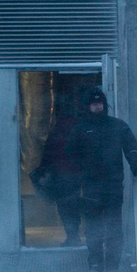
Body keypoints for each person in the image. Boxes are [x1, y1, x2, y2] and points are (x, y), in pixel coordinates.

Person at [67, 87, 137, 272]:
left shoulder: (117, 125)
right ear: (88, 106)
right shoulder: (80, 128)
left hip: (113, 186)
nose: (97, 106)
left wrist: (136, 166)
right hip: (90, 186)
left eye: (100, 103)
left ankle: (112, 265)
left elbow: (131, 148)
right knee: (93, 226)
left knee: (114, 226)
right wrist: (83, 168)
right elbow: (70, 152)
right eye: (94, 103)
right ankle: (95, 262)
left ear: (104, 105)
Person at [35, 105, 83, 247]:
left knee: (64, 207)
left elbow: (48, 154)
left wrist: (42, 170)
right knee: (74, 205)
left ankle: (72, 235)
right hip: (76, 174)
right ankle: (76, 235)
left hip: (61, 174)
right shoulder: (78, 129)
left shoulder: (56, 131)